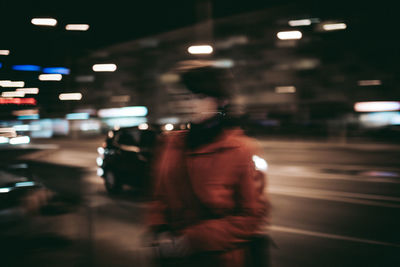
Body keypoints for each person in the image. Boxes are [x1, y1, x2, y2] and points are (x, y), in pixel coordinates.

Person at [146, 63, 270, 267]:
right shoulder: (169, 143)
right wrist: (159, 229)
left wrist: (192, 240)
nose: (192, 104)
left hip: (220, 259)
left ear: (221, 101)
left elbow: (252, 216)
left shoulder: (242, 149)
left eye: (200, 97)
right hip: (174, 259)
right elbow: (159, 197)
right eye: (188, 97)